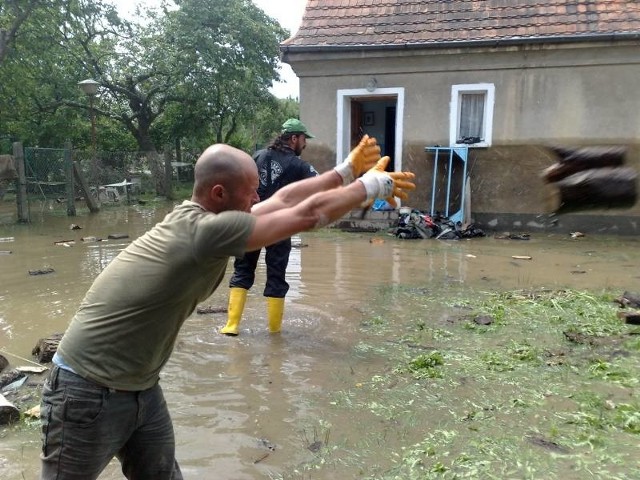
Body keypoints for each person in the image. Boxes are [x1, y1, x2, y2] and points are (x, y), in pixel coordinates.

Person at [39, 136, 415, 480]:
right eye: (251, 193)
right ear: (219, 193)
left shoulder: (202, 218)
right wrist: (368, 187)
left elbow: (284, 200)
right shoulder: (207, 233)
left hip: (140, 387)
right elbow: (307, 215)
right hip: (85, 390)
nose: (257, 199)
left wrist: (343, 173)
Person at [220, 118, 319, 336]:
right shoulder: (299, 165)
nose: (306, 144)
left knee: (242, 270)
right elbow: (319, 186)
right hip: (279, 226)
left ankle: (232, 325)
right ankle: (274, 333)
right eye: (304, 139)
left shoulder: (257, 156)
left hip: (250, 222)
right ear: (294, 138)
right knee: (276, 275)